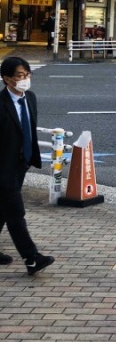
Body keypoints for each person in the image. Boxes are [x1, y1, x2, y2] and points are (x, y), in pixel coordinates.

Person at [0, 56, 55, 275]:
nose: (25, 79)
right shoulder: (1, 103)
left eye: (27, 75)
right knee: (15, 212)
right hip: (3, 168)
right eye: (20, 76)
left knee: (2, 210)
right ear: (7, 79)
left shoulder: (29, 97)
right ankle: (31, 257)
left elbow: (29, 128)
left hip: (22, 163)